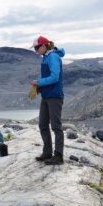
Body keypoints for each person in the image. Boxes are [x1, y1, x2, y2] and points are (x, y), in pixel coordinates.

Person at [30, 35, 66, 165]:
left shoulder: (53, 57)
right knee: (43, 124)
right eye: (35, 49)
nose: (36, 51)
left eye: (37, 48)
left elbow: (55, 77)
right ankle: (47, 152)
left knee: (56, 126)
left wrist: (39, 82)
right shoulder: (46, 57)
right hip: (46, 95)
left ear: (44, 45)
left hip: (54, 96)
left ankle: (58, 155)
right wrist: (40, 86)